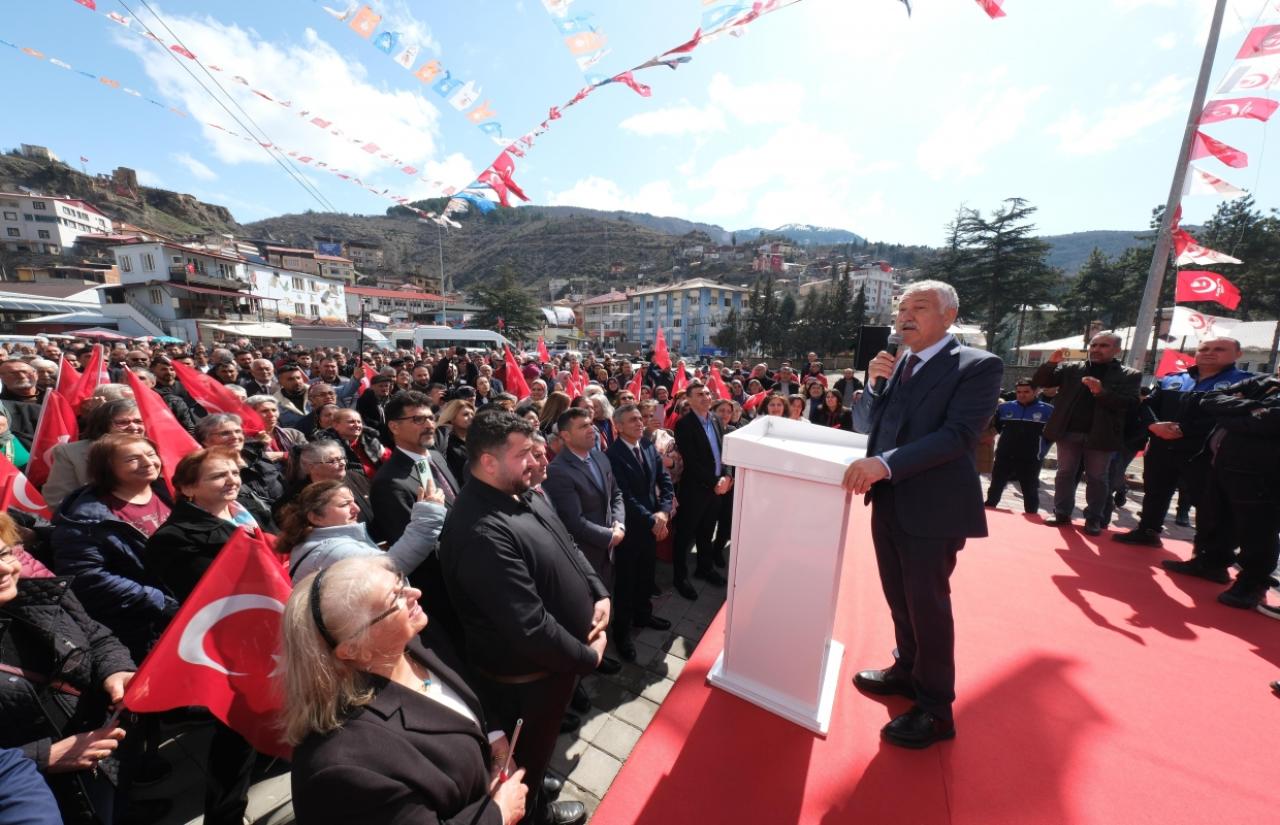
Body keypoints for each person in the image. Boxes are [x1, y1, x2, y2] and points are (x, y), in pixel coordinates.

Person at [842, 280, 1003, 749]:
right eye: (902, 308)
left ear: (950, 316)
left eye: (920, 307)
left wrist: (885, 463)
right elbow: (867, 426)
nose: (905, 316)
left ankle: (936, 709)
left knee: (928, 606)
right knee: (899, 596)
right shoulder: (898, 365)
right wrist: (873, 385)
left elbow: (957, 436)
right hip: (889, 499)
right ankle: (907, 669)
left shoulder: (977, 366)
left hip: (932, 508)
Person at [438, 411, 601, 825]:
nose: (538, 459)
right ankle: (534, 816)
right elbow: (530, 628)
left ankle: (538, 782)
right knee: (521, 763)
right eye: (525, 453)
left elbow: (568, 545)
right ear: (489, 462)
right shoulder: (481, 532)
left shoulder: (521, 493)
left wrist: (598, 591)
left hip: (554, 671)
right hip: (528, 684)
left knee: (538, 753)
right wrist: (588, 657)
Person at [283, 556, 528, 825]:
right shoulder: (344, 770)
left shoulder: (415, 635)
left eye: (400, 580)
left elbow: (467, 686)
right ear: (353, 648)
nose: (415, 593)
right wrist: (499, 814)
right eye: (394, 599)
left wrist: (494, 739)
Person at [0, 518, 135, 825]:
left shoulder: (42, 594)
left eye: (4, 554)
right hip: (44, 798)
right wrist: (43, 757)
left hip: (105, 759)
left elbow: (98, 637)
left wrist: (117, 671)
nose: (5, 570)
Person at [1114, 337, 1252, 547]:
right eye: (1204, 348)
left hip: (1205, 453)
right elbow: (1148, 405)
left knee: (1207, 502)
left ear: (1238, 354)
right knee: (1155, 492)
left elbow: (1238, 416)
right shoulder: (1172, 379)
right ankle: (1147, 531)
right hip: (1162, 447)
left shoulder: (1247, 383)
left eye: (1219, 349)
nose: (1209, 352)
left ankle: (1209, 554)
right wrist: (1153, 425)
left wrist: (1185, 430)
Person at [51, 434, 177, 660]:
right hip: (142, 626)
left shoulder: (169, 491)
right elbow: (87, 577)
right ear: (107, 467)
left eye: (150, 454)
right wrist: (160, 601)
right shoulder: (86, 518)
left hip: (188, 608)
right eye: (132, 459)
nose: (148, 463)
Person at [1160, 372, 1280, 609]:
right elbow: (1210, 399)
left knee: (1256, 529)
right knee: (1215, 516)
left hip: (1262, 474)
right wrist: (1250, 408)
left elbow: (1270, 421)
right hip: (1223, 464)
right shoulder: (1262, 382)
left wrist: (1228, 413)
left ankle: (1252, 584)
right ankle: (1211, 564)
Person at [543, 408, 626, 683]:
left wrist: (620, 524)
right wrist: (608, 536)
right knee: (588, 611)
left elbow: (616, 494)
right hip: (586, 554)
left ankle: (601, 649)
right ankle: (587, 663)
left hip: (609, 546)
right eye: (583, 426)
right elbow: (573, 522)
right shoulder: (558, 471)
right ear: (565, 436)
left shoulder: (600, 456)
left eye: (591, 424)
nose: (592, 429)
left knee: (608, 600)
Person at [1032, 333, 1141, 536]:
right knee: (1064, 473)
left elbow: (1131, 404)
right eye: (1094, 345)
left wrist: (1101, 392)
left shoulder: (1129, 374)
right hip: (1068, 432)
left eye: (1104, 346)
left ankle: (1094, 518)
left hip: (1102, 435)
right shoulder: (1072, 368)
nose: (1097, 349)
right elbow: (1040, 382)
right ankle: (1062, 512)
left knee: (1097, 478)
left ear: (1117, 349)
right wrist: (1050, 363)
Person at [605, 403, 674, 661]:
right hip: (632, 530)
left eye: (640, 419)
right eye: (633, 420)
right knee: (625, 583)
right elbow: (623, 495)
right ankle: (621, 633)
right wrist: (653, 520)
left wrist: (664, 512)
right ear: (618, 426)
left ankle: (644, 615)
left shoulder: (646, 444)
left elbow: (664, 480)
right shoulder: (612, 455)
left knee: (647, 575)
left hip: (654, 524)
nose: (639, 423)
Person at [278, 480, 445, 583]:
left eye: (354, 502)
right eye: (344, 505)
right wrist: (429, 515)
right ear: (315, 518)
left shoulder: (316, 543)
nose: (356, 509)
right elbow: (391, 569)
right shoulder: (332, 552)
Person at [671, 381, 731, 599]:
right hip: (695, 490)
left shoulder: (715, 419)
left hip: (715, 489)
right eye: (700, 394)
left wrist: (726, 476)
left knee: (707, 532)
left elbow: (724, 452)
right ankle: (680, 577)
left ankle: (704, 568)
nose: (706, 397)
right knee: (685, 535)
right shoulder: (684, 424)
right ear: (689, 399)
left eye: (707, 393)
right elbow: (692, 461)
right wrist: (714, 481)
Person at [44, 399, 148, 513]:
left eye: (138, 421)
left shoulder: (156, 449)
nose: (133, 427)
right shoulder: (70, 453)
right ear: (104, 425)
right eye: (122, 422)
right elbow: (58, 500)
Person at [984, 381, 1053, 514]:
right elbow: (996, 427)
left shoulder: (1047, 410)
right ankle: (989, 510)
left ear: (1035, 391)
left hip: (1031, 457)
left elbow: (1053, 434)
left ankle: (1032, 517)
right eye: (1019, 392)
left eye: (1026, 392)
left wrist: (1042, 450)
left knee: (1030, 489)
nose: (1022, 395)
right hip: (1005, 454)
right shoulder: (1004, 407)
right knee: (996, 485)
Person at [314, 408, 388, 480]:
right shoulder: (328, 447)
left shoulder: (370, 440)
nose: (357, 425)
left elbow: (389, 460)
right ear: (336, 425)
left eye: (359, 422)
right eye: (351, 422)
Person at [437, 399, 475, 484]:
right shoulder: (446, 443)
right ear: (452, 418)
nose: (471, 417)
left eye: (472, 414)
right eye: (466, 414)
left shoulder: (477, 439)